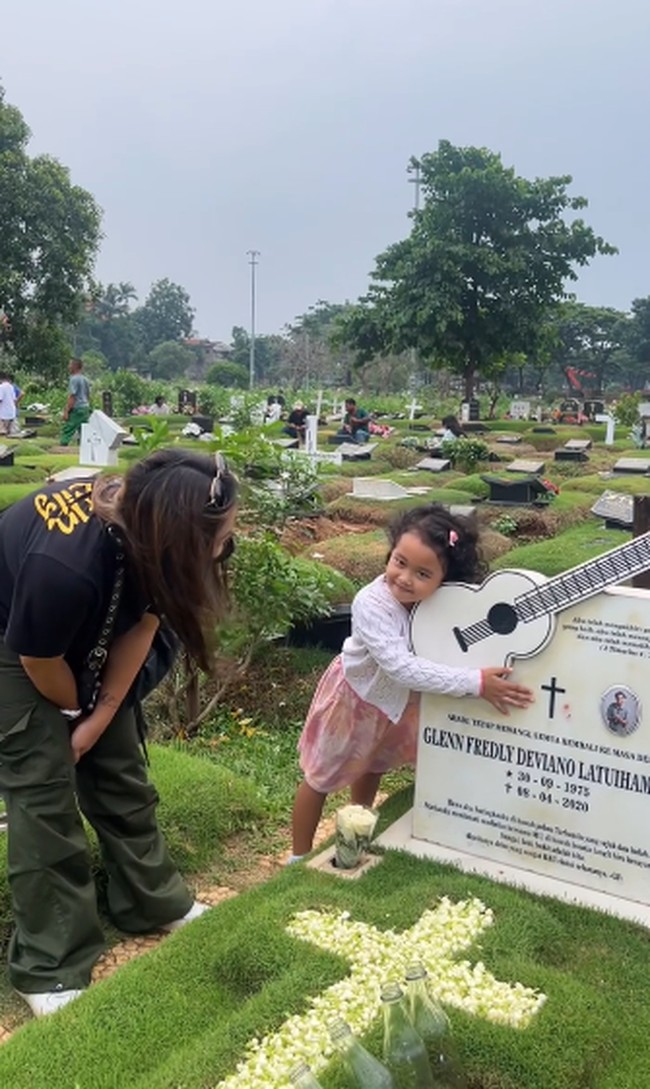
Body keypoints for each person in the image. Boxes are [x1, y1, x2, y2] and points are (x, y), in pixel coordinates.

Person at [0, 449, 237, 1017]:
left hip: (79, 625)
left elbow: (144, 625)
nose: (230, 542)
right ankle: (51, 964)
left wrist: (102, 715)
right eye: (223, 533)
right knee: (43, 792)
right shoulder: (66, 564)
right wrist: (70, 720)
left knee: (121, 770)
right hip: (15, 640)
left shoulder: (153, 540)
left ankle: (151, 902)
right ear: (180, 533)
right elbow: (39, 661)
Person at [290, 503, 534, 859]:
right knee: (320, 777)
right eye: (399, 562)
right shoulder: (371, 604)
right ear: (390, 554)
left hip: (396, 705)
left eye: (423, 574)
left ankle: (356, 833)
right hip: (355, 699)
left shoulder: (438, 607)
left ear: (444, 581)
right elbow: (400, 667)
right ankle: (297, 856)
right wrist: (476, 682)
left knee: (373, 764)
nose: (404, 578)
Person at [60, 357, 91, 445]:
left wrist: (66, 410)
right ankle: (84, 449)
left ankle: (63, 446)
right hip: (85, 408)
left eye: (70, 365)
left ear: (75, 366)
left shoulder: (74, 379)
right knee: (84, 431)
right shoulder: (85, 379)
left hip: (77, 409)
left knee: (68, 429)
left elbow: (72, 396)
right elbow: (88, 395)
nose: (68, 367)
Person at [0, 371, 17, 437]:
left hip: (3, 414)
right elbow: (14, 400)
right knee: (9, 433)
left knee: (3, 432)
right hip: (11, 413)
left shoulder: (1, 387)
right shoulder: (11, 386)